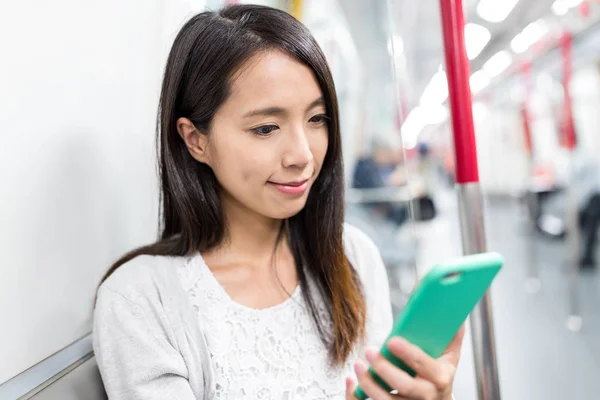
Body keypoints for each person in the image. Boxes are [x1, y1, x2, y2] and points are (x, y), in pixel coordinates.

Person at [93, 5, 464, 399]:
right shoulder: (141, 301)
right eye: (266, 128)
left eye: (317, 119)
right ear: (195, 139)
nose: (302, 155)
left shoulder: (352, 256)